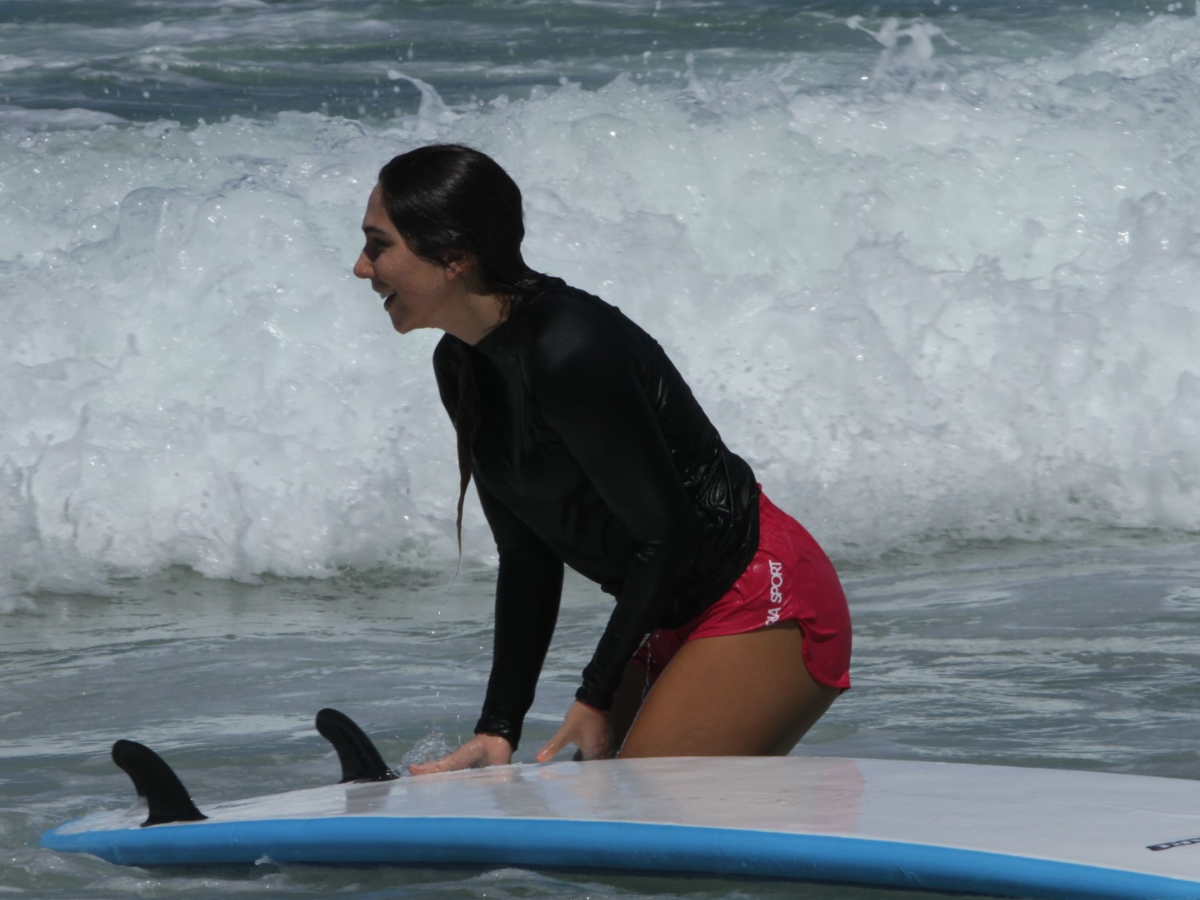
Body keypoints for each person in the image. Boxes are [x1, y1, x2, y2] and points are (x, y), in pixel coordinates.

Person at [352, 144, 851, 772]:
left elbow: (668, 534)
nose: (361, 268)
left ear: (454, 256)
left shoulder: (569, 349)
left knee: (639, 798)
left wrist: (594, 692)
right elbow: (527, 556)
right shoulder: (459, 365)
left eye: (378, 245)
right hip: (669, 610)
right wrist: (498, 728)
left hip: (759, 591)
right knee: (604, 792)